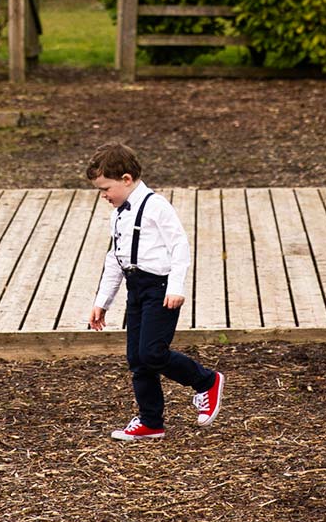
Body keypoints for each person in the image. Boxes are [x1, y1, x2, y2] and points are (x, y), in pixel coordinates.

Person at [85, 142, 225, 441]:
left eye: (105, 188)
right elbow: (115, 258)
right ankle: (151, 421)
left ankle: (206, 381)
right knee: (137, 359)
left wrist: (176, 287)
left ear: (126, 179)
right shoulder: (118, 215)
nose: (104, 195)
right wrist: (102, 301)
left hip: (160, 289)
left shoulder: (156, 206)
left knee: (152, 352)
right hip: (135, 289)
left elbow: (180, 247)